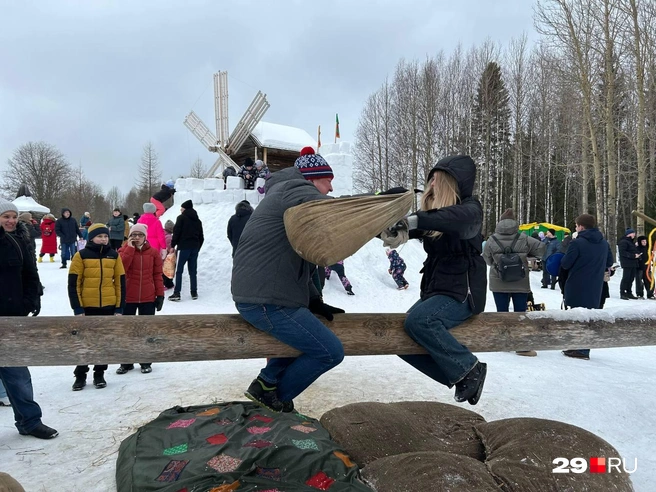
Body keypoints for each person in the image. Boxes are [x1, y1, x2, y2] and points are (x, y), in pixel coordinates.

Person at [232, 147, 344, 412]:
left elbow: (297, 257)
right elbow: (341, 212)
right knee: (330, 352)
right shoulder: (294, 189)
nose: (330, 186)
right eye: (327, 179)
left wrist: (314, 298)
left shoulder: (284, 193)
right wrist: (377, 204)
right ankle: (273, 400)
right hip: (265, 299)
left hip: (264, 295)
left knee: (301, 337)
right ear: (312, 179)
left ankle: (268, 382)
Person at [381, 155, 488, 405]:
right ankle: (460, 376)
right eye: (430, 181)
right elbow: (411, 226)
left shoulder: (470, 210)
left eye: (437, 181)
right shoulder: (434, 218)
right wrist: (388, 224)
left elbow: (453, 220)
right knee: (399, 336)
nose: (431, 186)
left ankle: (469, 370)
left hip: (462, 293)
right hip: (436, 291)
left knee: (421, 321)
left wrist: (413, 221)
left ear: (451, 183)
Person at [0, 198, 58, 439]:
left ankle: (29, 421)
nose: (11, 220)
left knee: (18, 376)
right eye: (6, 217)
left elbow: (30, 273)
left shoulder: (21, 240)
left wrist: (32, 299)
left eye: (13, 216)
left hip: (12, 318)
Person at [68, 223, 126, 390]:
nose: (103, 239)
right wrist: (77, 308)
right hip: (87, 307)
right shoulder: (81, 256)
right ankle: (80, 374)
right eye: (100, 236)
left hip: (108, 306)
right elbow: (74, 284)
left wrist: (119, 308)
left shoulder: (114, 256)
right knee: (84, 342)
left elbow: (120, 283)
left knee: (103, 342)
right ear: (91, 238)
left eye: (105, 236)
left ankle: (99, 373)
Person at [483, 208, 545, 357]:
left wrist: (498, 265)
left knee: (502, 312)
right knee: (520, 314)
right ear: (514, 222)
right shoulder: (523, 238)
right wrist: (526, 256)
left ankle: (503, 342)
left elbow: (486, 259)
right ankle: (521, 346)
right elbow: (542, 249)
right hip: (520, 281)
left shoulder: (492, 240)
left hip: (499, 281)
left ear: (500, 223)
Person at [560, 214, 614, 360]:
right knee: (589, 316)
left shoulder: (577, 243)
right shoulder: (603, 243)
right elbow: (610, 261)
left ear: (581, 227)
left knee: (576, 315)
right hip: (596, 286)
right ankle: (583, 347)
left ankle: (578, 347)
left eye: (576, 226)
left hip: (577, 284)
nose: (576, 228)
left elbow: (565, 263)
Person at [117, 224, 164, 375]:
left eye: (140, 235)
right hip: (128, 297)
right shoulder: (122, 250)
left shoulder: (153, 253)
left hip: (147, 297)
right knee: (127, 331)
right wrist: (130, 249)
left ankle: (145, 361)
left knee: (146, 331)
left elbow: (157, 275)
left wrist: (160, 294)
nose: (136, 237)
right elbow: (121, 269)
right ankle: (126, 362)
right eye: (134, 234)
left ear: (145, 236)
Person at [169, 200, 204, 301]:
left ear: (185, 208)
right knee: (193, 271)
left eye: (182, 208)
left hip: (183, 248)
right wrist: (197, 247)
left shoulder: (181, 218)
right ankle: (194, 292)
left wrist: (173, 245)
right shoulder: (198, 221)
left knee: (179, 271)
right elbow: (201, 236)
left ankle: (177, 293)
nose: (180, 209)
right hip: (194, 248)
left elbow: (176, 233)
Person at [618, 228, 640, 299]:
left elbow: (632, 250)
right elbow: (623, 252)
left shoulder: (631, 242)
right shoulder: (624, 242)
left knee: (631, 278)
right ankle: (622, 292)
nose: (634, 235)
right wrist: (633, 256)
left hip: (633, 262)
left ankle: (629, 292)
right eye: (633, 233)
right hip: (627, 263)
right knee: (626, 278)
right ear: (629, 234)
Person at [634, 235, 652, 299]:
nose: (644, 242)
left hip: (647, 267)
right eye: (643, 241)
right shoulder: (637, 248)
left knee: (649, 280)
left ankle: (650, 294)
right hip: (639, 267)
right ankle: (639, 294)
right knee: (639, 281)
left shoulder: (648, 248)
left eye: (645, 241)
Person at [162, 219, 175, 290]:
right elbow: (170, 248)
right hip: (167, 256)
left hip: (161, 255)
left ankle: (164, 283)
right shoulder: (169, 237)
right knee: (169, 270)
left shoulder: (162, 234)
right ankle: (168, 284)